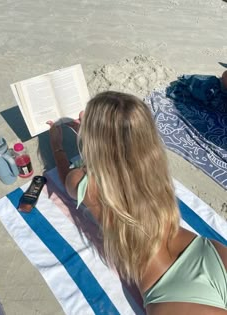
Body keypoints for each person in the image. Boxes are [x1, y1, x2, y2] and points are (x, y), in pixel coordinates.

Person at [48, 91, 227, 315]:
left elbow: (67, 177)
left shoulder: (86, 184)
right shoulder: (153, 169)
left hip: (169, 290)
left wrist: (57, 146)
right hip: (209, 253)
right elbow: (122, 153)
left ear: (92, 141)